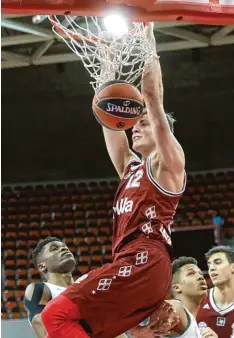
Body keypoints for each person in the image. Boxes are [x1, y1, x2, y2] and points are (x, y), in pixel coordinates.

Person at [41, 22, 185, 338]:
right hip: (134, 264)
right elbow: (110, 125)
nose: (136, 126)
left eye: (143, 123)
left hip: (145, 259)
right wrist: (108, 67)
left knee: (55, 316)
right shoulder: (130, 168)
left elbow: (152, 97)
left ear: (163, 132)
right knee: (82, 328)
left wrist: (148, 40)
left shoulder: (167, 163)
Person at [24, 237, 76, 338]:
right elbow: (39, 322)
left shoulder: (85, 285)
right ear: (42, 266)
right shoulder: (41, 288)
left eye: (65, 247)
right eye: (54, 249)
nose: (64, 249)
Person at [197, 246, 234, 338]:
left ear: (233, 267)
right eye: (209, 265)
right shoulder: (198, 299)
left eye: (217, 263)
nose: (212, 268)